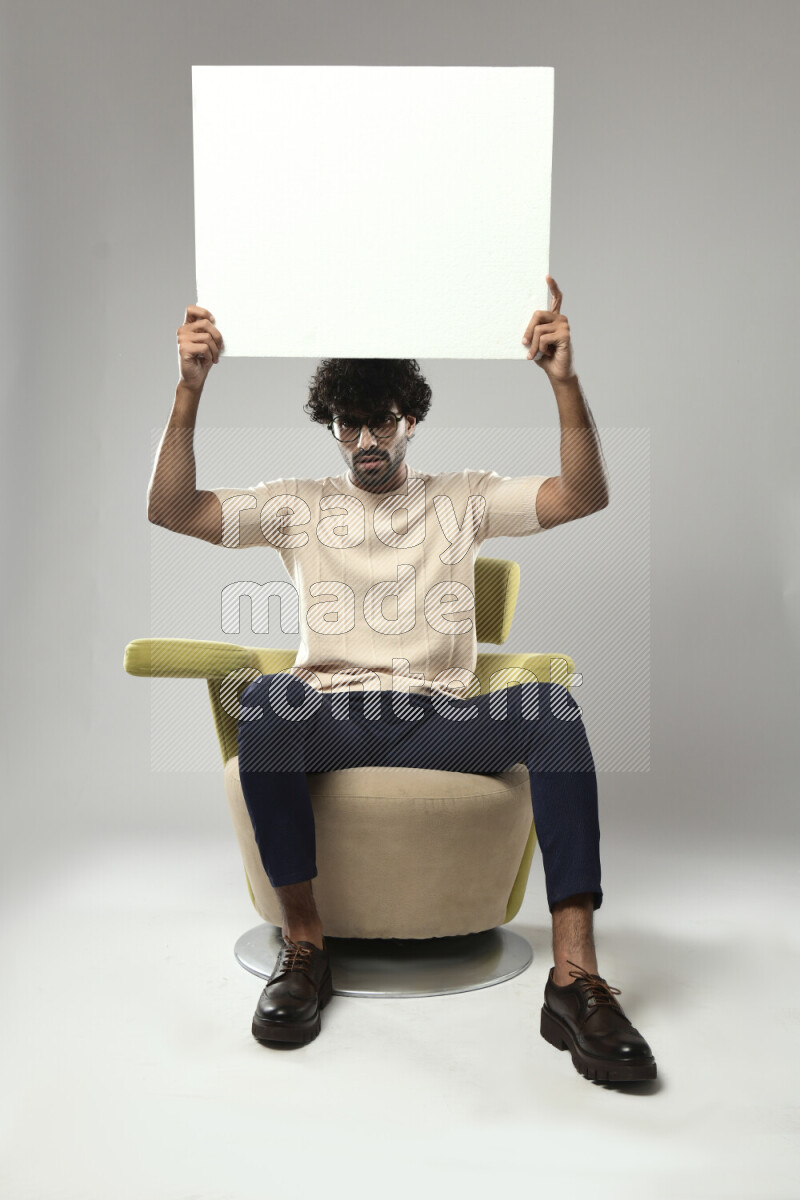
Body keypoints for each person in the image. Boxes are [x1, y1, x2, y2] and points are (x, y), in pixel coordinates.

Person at [147, 276, 657, 1083]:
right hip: (334, 713)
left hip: (439, 717)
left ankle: (575, 978)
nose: (365, 440)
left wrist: (564, 382)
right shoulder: (297, 505)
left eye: (380, 421)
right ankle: (305, 948)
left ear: (409, 419)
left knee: (553, 709)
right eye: (349, 424)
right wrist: (188, 389)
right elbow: (173, 509)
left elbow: (584, 494)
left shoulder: (463, 496)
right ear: (333, 427)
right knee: (267, 702)